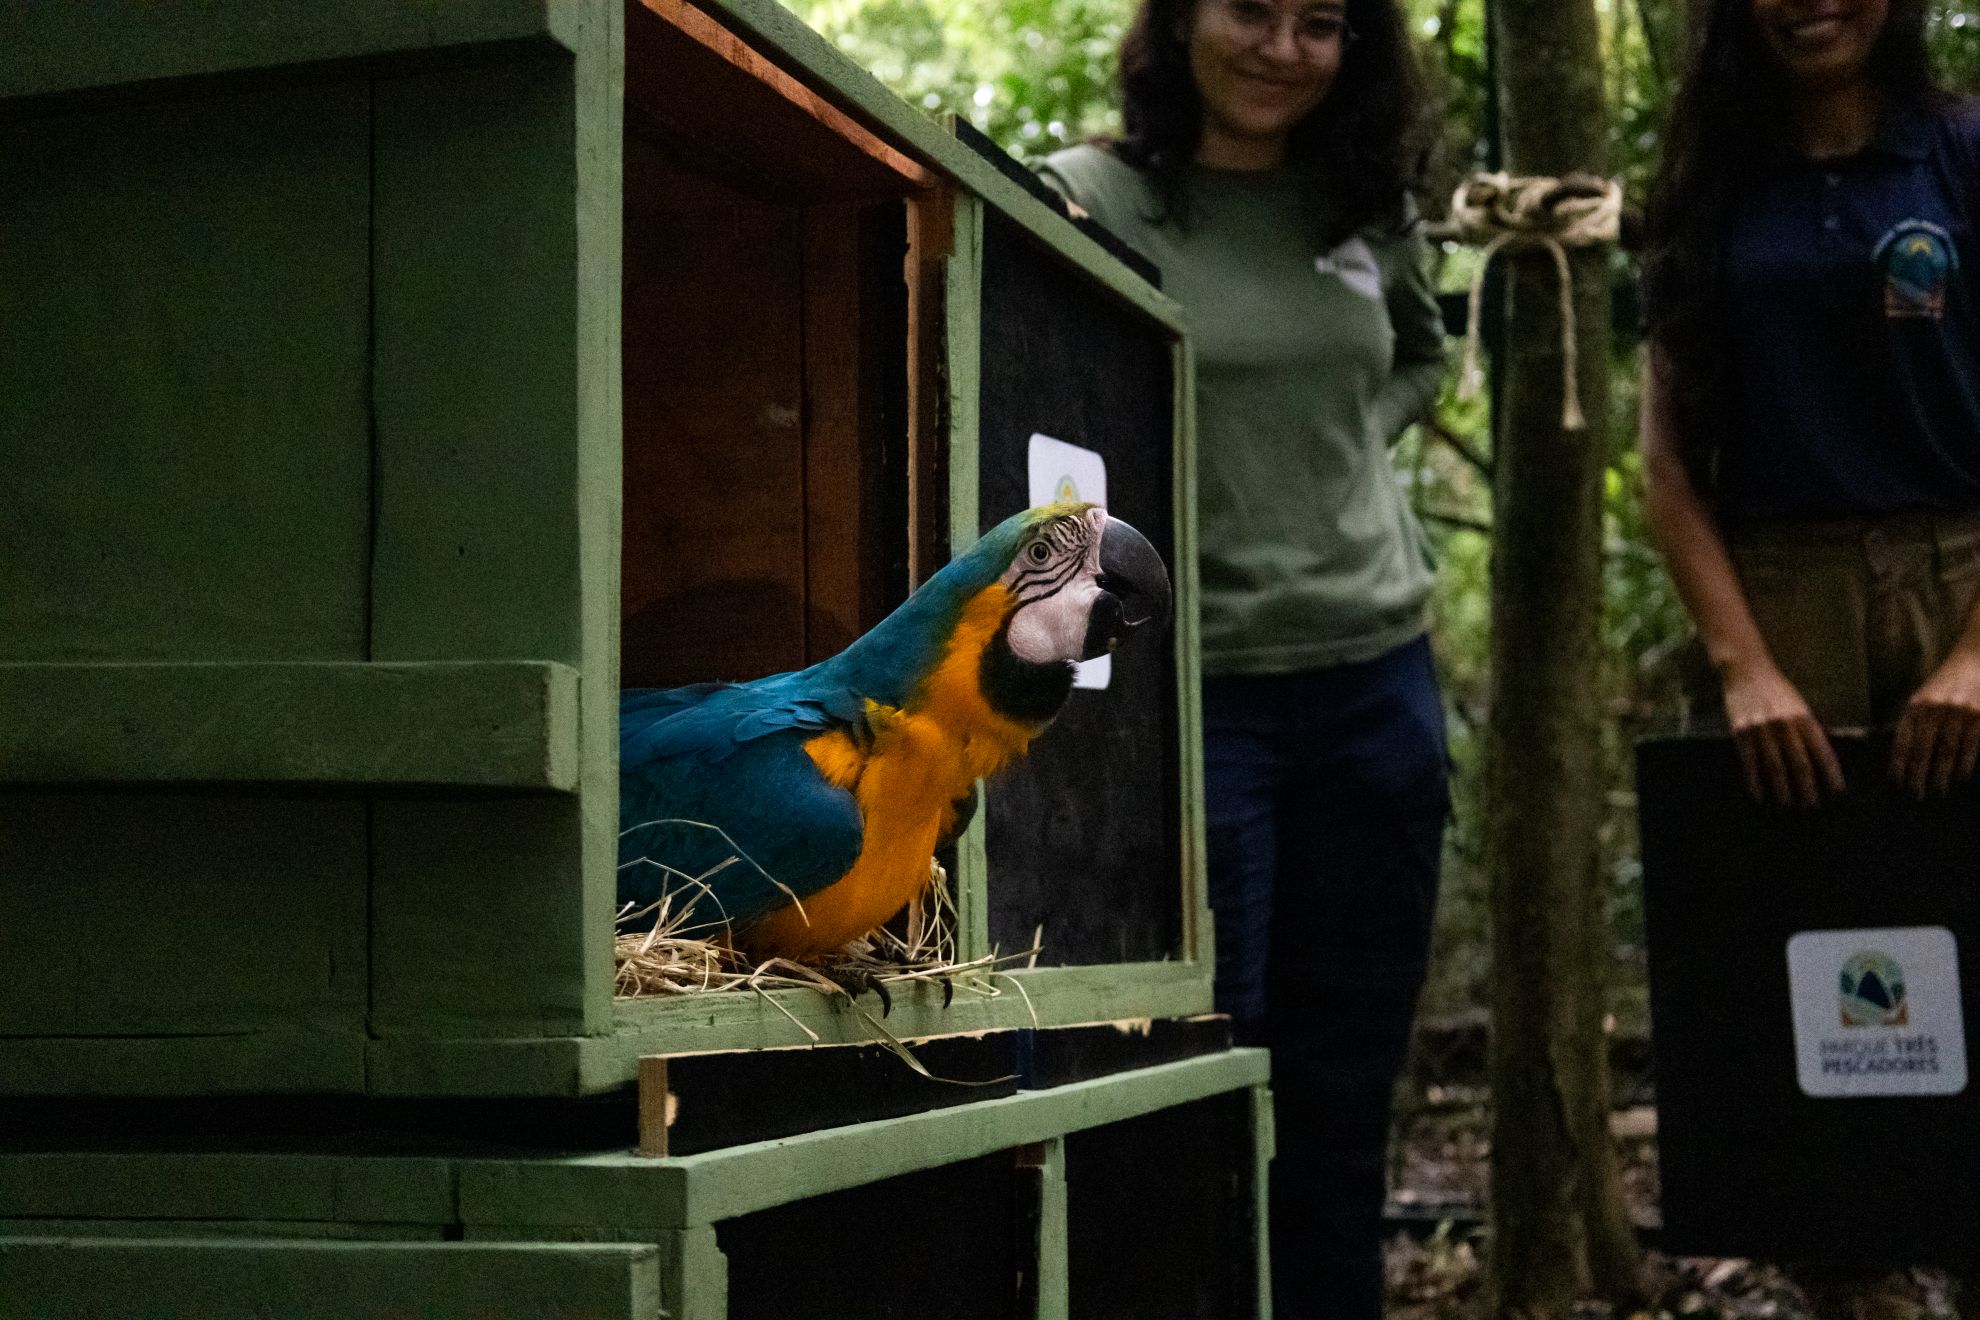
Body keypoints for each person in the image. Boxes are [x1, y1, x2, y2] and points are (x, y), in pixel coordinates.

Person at [1037, 1, 1448, 1313]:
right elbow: (1043, 401)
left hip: (1380, 682)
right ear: (1181, 20)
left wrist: (1329, 464)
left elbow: (1422, 356)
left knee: (1345, 1085)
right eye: (1250, 12)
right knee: (1203, 1071)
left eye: (1320, 23)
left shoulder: (1362, 209)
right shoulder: (1093, 198)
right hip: (1190, 698)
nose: (1282, 48)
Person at [1642, 0, 1980, 1313]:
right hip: (1781, 589)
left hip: (1964, 568)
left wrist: (1972, 655)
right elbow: (1668, 466)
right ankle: (1856, 1289)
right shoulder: (1711, 187)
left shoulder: (1957, 149)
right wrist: (1746, 667)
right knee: (1810, 983)